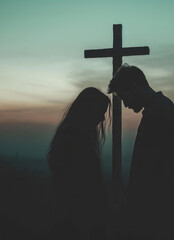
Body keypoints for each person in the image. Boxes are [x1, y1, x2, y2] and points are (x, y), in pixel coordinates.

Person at [107, 64, 174, 239]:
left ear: (134, 87)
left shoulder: (158, 113)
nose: (125, 104)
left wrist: (134, 206)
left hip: (155, 213)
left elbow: (151, 167)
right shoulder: (161, 108)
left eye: (124, 97)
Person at [48, 87, 111, 240]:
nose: (103, 119)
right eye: (100, 112)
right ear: (89, 110)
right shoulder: (73, 138)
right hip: (77, 223)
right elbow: (79, 184)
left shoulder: (73, 135)